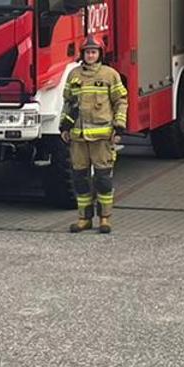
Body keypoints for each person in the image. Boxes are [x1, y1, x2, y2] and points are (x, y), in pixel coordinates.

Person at [61, 37, 127, 234]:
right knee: (80, 179)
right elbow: (67, 102)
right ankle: (84, 219)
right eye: (87, 52)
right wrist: (64, 127)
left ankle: (105, 219)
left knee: (103, 180)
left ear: (100, 54)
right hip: (78, 138)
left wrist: (119, 127)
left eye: (94, 52)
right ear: (82, 54)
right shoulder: (74, 75)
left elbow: (121, 101)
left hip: (102, 138)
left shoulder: (110, 75)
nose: (90, 55)